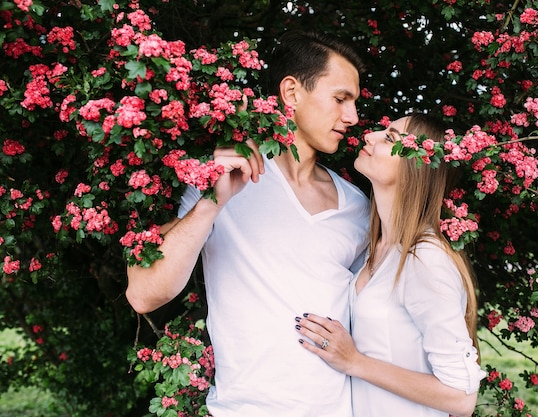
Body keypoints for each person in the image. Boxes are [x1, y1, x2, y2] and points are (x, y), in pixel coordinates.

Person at [125, 31, 370, 417]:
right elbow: (144, 295)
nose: (352, 117)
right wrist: (212, 203)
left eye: (353, 103)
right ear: (291, 92)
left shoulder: (356, 206)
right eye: (341, 99)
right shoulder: (222, 179)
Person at [295, 113, 486, 417]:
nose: (369, 135)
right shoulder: (378, 249)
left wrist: (355, 362)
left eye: (389, 138)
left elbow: (461, 397)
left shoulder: (425, 259)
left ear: (416, 167)